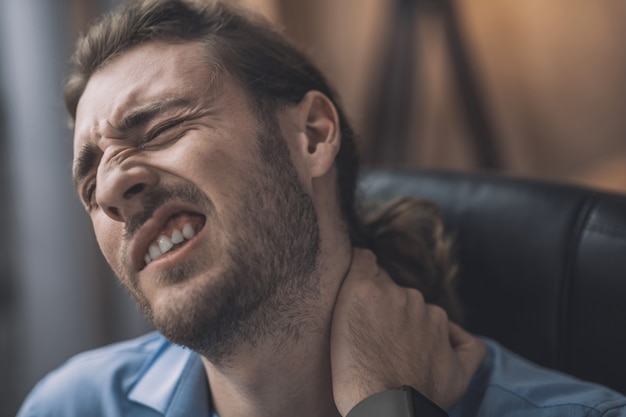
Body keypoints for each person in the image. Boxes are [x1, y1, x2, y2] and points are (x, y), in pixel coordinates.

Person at [17, 1, 626, 416]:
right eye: (88, 180)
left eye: (163, 127)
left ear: (311, 134)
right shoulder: (71, 405)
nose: (112, 187)